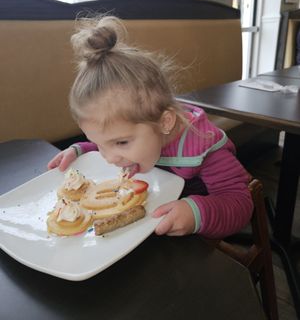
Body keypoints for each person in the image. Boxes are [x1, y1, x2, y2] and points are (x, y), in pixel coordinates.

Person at [48, 15, 253, 239]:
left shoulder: (205, 151)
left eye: (121, 143)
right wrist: (80, 150)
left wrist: (197, 213)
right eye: (99, 143)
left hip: (197, 237)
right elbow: (105, 144)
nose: (109, 158)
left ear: (165, 122)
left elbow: (241, 204)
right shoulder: (128, 143)